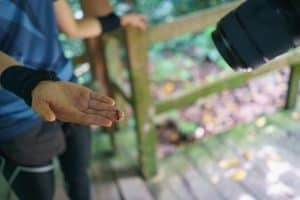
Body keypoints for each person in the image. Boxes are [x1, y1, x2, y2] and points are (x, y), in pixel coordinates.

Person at [0, 0, 146, 199]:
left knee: (80, 178)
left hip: (68, 91)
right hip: (14, 111)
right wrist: (31, 84)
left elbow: (73, 28)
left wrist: (118, 21)